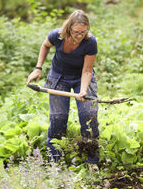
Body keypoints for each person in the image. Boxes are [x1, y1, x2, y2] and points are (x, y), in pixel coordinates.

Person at [27, 10, 99, 164]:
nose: (79, 35)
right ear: (68, 28)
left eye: (83, 32)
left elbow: (87, 71)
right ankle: (55, 161)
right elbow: (45, 46)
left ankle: (91, 161)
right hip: (59, 76)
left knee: (89, 114)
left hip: (81, 77)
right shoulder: (57, 36)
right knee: (58, 117)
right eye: (76, 32)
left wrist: (84, 90)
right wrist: (38, 68)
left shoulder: (90, 42)